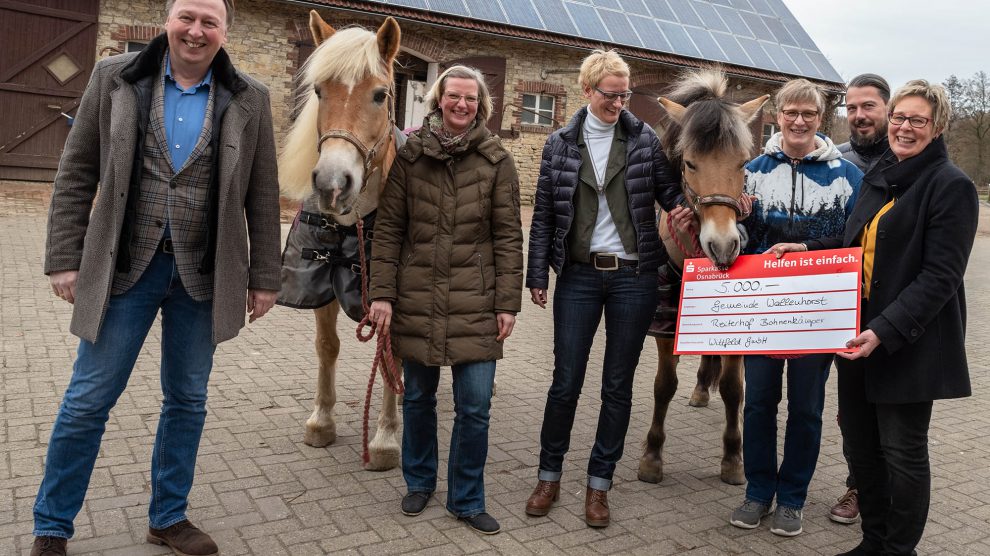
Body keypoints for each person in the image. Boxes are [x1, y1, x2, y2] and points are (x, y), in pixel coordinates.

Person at [32, 1, 282, 555]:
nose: (196, 31)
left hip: (204, 274)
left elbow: (263, 195)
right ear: (168, 20)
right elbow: (76, 172)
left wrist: (265, 277)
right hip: (125, 269)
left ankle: (168, 518)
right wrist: (64, 257)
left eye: (209, 22)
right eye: (187, 17)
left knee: (187, 399)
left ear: (224, 32)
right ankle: (52, 526)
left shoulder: (250, 97)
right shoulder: (113, 77)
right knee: (88, 399)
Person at [524, 49, 681, 528]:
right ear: (587, 91)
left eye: (625, 94)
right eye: (611, 95)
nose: (620, 103)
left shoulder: (644, 139)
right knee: (565, 381)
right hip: (578, 276)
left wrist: (700, 205)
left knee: (618, 386)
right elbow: (545, 214)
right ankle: (548, 476)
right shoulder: (559, 144)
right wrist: (536, 276)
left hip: (634, 277)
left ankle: (599, 485)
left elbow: (669, 191)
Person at [367, 65, 523, 535]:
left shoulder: (497, 161)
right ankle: (419, 482)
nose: (461, 105)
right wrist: (382, 294)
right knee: (417, 398)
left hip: (476, 302)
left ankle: (467, 498)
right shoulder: (411, 158)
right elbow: (390, 229)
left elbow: (509, 237)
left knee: (474, 407)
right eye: (454, 96)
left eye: (470, 99)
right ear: (438, 100)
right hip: (416, 298)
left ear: (481, 106)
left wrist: (507, 303)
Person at [826, 80, 976, 556]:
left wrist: (883, 331)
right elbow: (854, 247)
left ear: (938, 127)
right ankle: (873, 540)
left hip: (908, 341)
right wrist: (804, 251)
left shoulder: (951, 186)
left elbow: (940, 277)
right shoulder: (880, 176)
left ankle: (898, 549)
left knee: (903, 453)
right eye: (899, 117)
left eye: (917, 120)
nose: (903, 128)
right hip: (856, 335)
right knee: (861, 448)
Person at [728, 79, 862, 537]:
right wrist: (740, 222)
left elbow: (853, 240)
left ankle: (792, 498)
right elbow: (739, 242)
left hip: (818, 313)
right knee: (759, 403)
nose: (799, 120)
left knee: (807, 408)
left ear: (821, 118)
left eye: (809, 113)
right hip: (762, 312)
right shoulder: (752, 171)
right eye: (791, 112)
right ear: (778, 116)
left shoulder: (847, 175)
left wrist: (806, 246)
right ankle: (758, 491)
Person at [830, 72, 892, 525]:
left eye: (868, 106)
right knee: (850, 411)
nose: (858, 115)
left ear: (886, 108)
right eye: (851, 108)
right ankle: (859, 485)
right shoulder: (837, 159)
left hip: (893, 303)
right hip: (844, 302)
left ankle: (886, 496)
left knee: (889, 408)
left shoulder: (907, 156)